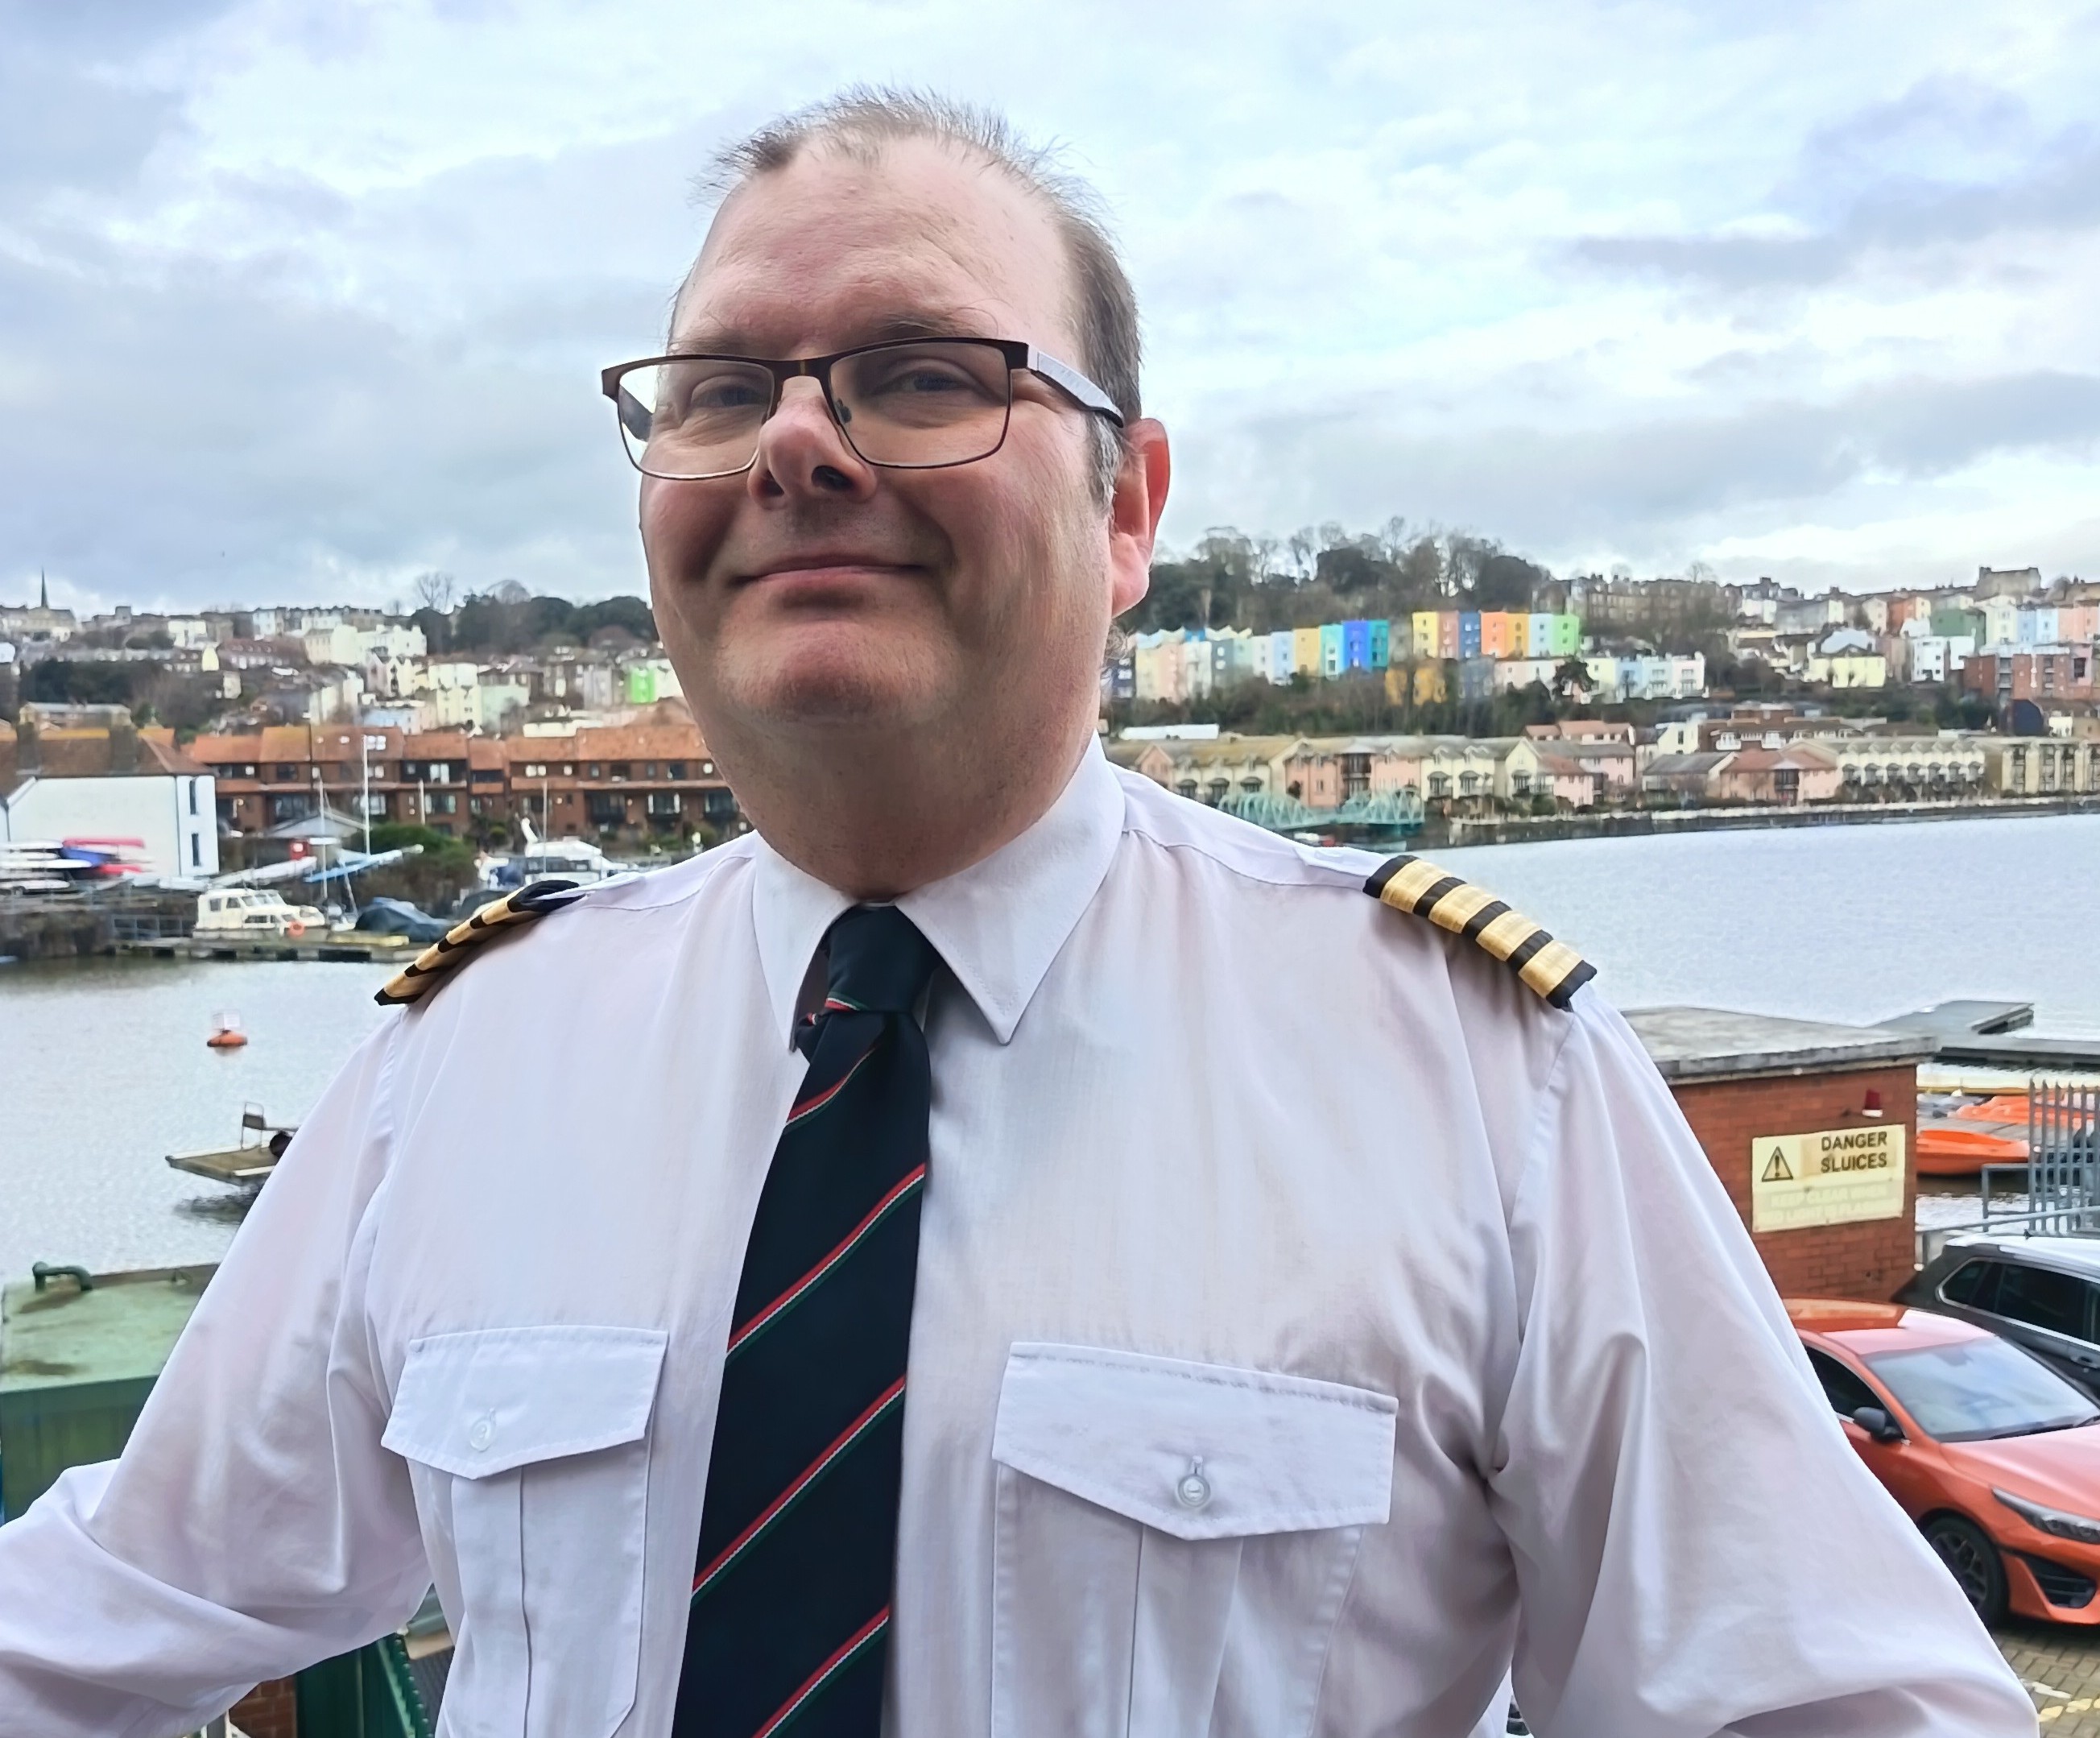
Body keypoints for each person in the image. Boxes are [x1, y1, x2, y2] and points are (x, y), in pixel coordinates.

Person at [0, 91, 2036, 1738]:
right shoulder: (464, 1060)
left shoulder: (1474, 1073)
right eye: (717, 389)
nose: (794, 439)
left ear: (1127, 504)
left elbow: (1821, 1698)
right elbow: (113, 1608)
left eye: (916, 374)